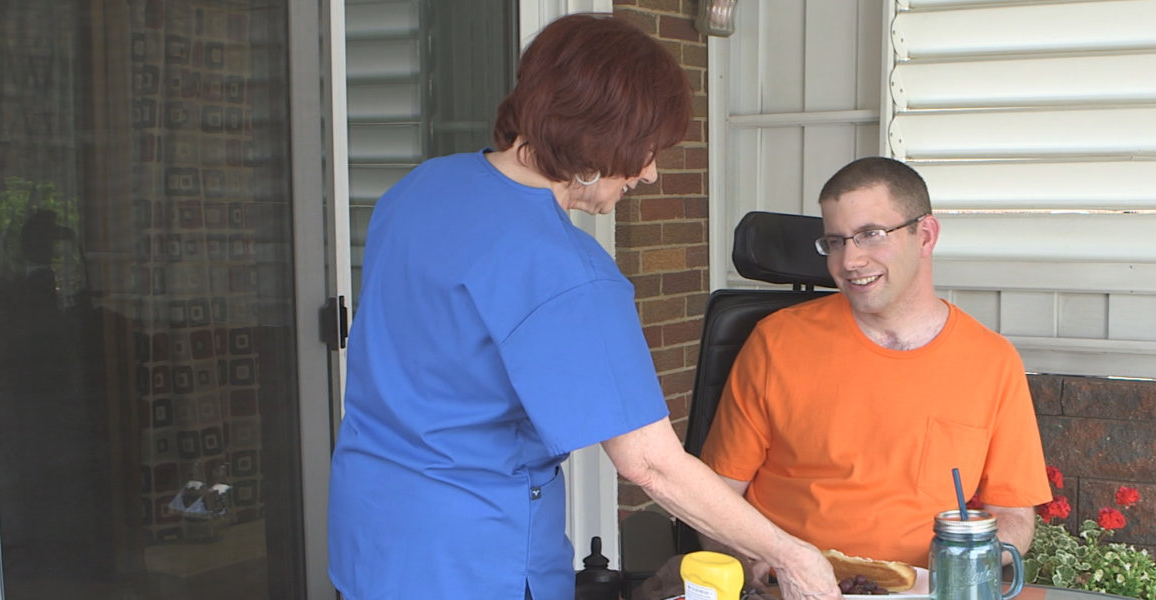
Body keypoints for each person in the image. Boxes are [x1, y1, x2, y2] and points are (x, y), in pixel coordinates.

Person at [326, 14, 841, 600]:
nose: (649, 172)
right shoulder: (568, 274)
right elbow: (649, 464)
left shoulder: (419, 188)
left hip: (369, 532)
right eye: (646, 149)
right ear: (598, 134)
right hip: (472, 560)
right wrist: (787, 552)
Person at [699, 157, 1051, 577]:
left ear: (925, 235)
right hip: (790, 585)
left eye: (870, 235)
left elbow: (1013, 516)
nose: (848, 261)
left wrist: (956, 573)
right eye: (835, 241)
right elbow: (713, 499)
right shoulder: (775, 343)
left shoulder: (991, 361)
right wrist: (755, 564)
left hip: (919, 588)